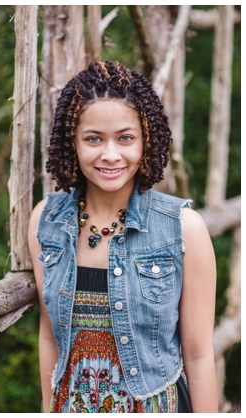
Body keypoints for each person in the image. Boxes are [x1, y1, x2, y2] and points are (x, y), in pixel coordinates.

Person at [28, 61, 218, 412]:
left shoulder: (183, 228)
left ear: (146, 140)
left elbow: (199, 354)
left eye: (125, 138)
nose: (110, 154)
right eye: (94, 139)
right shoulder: (46, 222)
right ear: (73, 142)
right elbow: (49, 336)